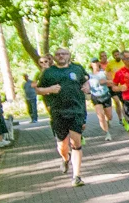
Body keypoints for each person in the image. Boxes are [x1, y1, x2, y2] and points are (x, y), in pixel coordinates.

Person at [35, 47, 90, 186]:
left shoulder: (77, 69)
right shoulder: (49, 72)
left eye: (63, 54)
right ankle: (65, 158)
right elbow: (38, 89)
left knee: (76, 143)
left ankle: (76, 176)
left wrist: (87, 87)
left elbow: (86, 80)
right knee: (62, 146)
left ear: (69, 56)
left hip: (76, 110)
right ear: (55, 57)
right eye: (58, 54)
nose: (61, 56)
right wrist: (49, 90)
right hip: (58, 112)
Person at [88, 59, 114, 140]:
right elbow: (85, 85)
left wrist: (106, 81)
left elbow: (113, 81)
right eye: (93, 62)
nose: (95, 63)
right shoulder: (89, 75)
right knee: (101, 116)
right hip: (95, 97)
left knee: (109, 116)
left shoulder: (104, 72)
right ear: (91, 64)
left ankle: (108, 121)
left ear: (99, 63)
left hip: (105, 95)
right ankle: (107, 133)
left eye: (96, 62)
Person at [104, 50, 127, 130]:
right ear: (113, 56)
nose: (117, 56)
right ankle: (120, 118)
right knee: (117, 101)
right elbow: (106, 72)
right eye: (115, 55)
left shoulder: (124, 62)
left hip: (122, 86)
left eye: (118, 54)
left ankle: (125, 119)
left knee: (124, 103)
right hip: (114, 86)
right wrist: (111, 80)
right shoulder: (110, 63)